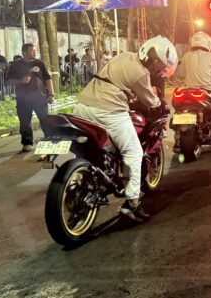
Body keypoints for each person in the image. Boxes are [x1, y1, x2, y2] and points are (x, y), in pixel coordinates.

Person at [74, 36, 177, 222]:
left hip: (82, 106)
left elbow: (117, 81)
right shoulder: (141, 73)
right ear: (153, 60)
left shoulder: (123, 56)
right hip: (108, 111)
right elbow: (150, 100)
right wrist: (160, 103)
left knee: (95, 149)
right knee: (134, 152)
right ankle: (132, 204)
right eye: (159, 64)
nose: (159, 68)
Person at [6, 43, 55, 152]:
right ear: (24, 52)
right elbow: (8, 81)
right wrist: (21, 81)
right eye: (32, 50)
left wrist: (51, 94)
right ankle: (27, 143)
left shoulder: (40, 63)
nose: (34, 52)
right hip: (23, 99)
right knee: (24, 122)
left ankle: (50, 140)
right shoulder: (16, 65)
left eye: (35, 50)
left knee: (45, 120)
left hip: (40, 98)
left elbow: (48, 79)